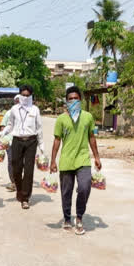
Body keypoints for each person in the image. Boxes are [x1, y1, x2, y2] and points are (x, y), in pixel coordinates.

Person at [49, 86, 102, 236]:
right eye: (70, 99)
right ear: (66, 101)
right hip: (66, 160)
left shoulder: (87, 117)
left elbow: (92, 137)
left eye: (76, 98)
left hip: (83, 159)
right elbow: (57, 141)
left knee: (85, 187)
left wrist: (97, 157)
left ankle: (79, 217)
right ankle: (67, 218)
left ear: (80, 100)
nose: (73, 101)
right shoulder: (61, 119)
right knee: (66, 192)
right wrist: (53, 161)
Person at [1, 84, 44, 209]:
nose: (25, 97)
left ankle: (25, 198)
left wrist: (41, 144)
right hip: (17, 140)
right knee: (16, 167)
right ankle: (19, 191)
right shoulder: (14, 109)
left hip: (31, 141)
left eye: (27, 95)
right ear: (19, 95)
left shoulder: (35, 110)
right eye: (23, 95)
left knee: (29, 170)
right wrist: (3, 132)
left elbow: (39, 128)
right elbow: (10, 124)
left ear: (31, 96)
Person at [0, 94, 20, 192]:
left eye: (20, 100)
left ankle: (19, 181)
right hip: (10, 142)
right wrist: (3, 139)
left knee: (20, 163)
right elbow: (3, 127)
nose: (18, 102)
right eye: (17, 100)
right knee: (11, 161)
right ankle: (13, 182)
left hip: (21, 142)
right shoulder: (8, 113)